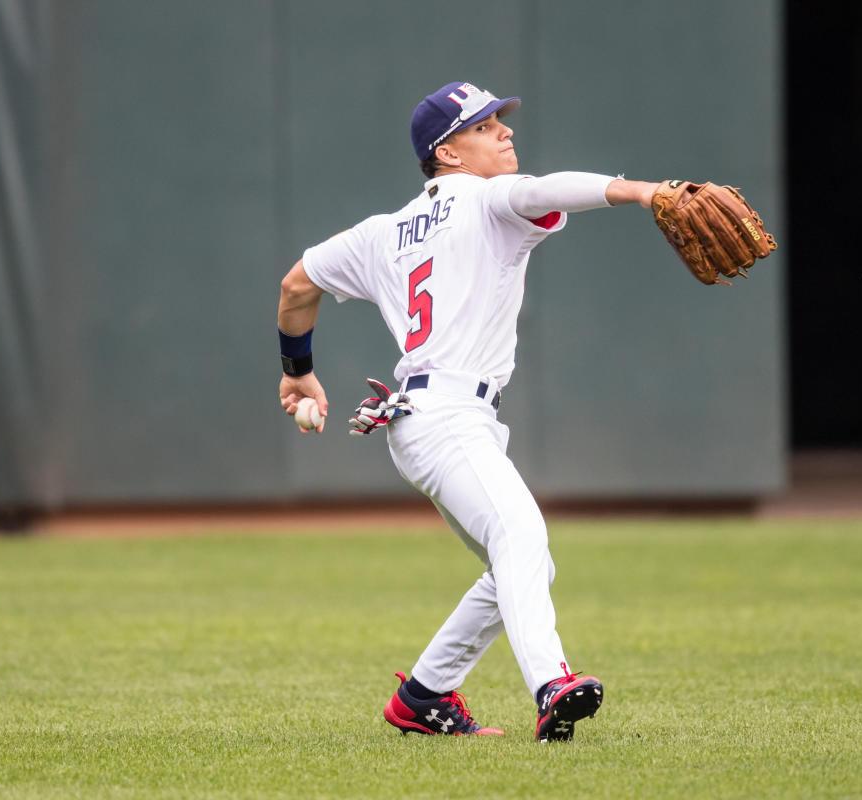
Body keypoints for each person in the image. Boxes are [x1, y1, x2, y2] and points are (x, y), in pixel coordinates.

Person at [277, 81, 660, 741]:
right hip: (446, 414)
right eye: (484, 125)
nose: (504, 130)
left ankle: (424, 695)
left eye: (499, 120)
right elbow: (546, 190)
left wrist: (299, 373)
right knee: (521, 537)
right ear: (449, 152)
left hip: (430, 417)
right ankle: (551, 685)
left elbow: (296, 283)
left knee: (524, 563)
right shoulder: (487, 198)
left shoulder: (382, 231)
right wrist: (644, 191)